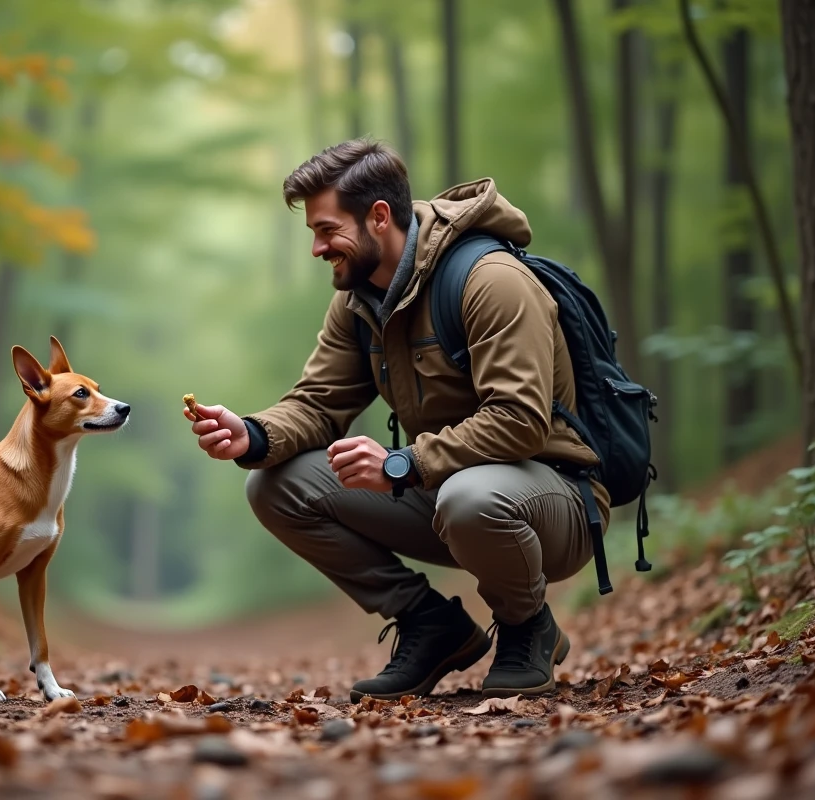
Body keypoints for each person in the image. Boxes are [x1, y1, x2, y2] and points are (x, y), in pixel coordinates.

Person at [183, 138, 610, 701]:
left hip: (553, 501)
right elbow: (318, 402)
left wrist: (405, 462)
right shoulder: (360, 301)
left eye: (327, 229)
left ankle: (527, 626)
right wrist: (253, 433)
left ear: (379, 217)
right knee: (276, 485)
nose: (316, 247)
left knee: (471, 496)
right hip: (444, 488)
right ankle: (430, 624)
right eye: (312, 231)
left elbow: (519, 420)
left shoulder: (491, 280)